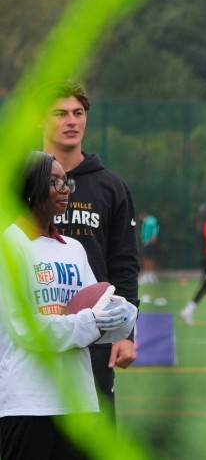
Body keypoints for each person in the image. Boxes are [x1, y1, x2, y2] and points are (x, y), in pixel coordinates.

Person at [0, 152, 137, 459]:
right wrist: (93, 321)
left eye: (66, 181)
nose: (65, 189)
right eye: (55, 182)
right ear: (28, 187)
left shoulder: (74, 249)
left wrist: (124, 319)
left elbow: (98, 316)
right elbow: (29, 330)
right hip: (29, 402)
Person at [40, 80, 140, 422]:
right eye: (60, 113)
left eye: (78, 113)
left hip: (93, 332)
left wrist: (125, 332)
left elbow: (124, 264)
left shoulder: (110, 187)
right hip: (33, 329)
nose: (72, 121)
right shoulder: (15, 182)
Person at [138, 212, 160, 285]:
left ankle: (149, 275)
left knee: (146, 258)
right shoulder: (145, 222)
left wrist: (154, 236)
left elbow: (155, 228)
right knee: (146, 258)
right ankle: (149, 275)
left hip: (149, 242)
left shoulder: (151, 220)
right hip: (145, 242)